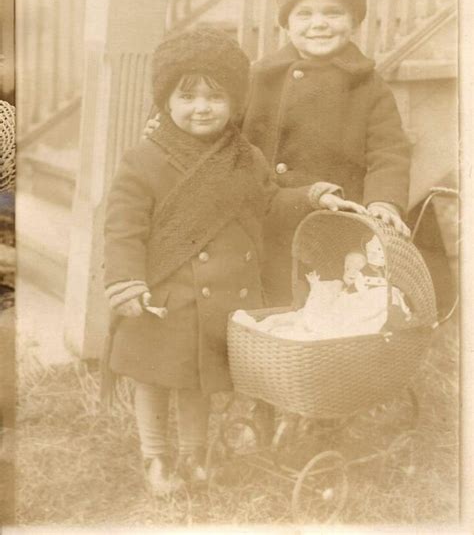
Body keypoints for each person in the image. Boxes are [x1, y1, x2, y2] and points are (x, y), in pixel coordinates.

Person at [102, 27, 365, 497]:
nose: (201, 108)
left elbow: (267, 204)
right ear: (165, 101)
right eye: (187, 97)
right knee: (154, 380)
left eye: (214, 97)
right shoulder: (143, 160)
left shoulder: (245, 157)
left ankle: (194, 455)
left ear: (235, 103)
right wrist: (125, 280)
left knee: (197, 382)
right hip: (165, 295)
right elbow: (123, 227)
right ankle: (155, 455)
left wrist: (312, 194)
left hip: (215, 301)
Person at [242, 0, 412, 305]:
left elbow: (388, 151)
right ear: (286, 24)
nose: (318, 24)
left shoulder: (368, 85)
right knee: (265, 308)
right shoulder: (259, 76)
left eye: (333, 13)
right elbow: (217, 118)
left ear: (353, 22)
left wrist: (383, 200)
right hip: (263, 217)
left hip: (333, 222)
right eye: (304, 14)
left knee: (323, 306)